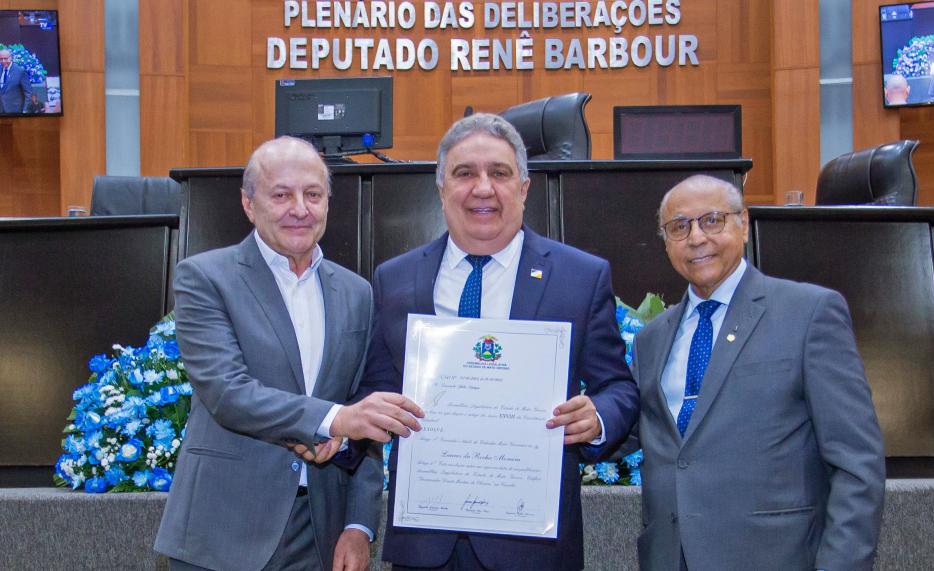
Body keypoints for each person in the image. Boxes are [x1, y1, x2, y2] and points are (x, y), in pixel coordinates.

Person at [362, 113, 640, 570]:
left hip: (533, 545)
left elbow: (619, 388)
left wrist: (597, 417)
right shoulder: (395, 279)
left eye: (499, 173)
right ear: (442, 188)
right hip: (426, 543)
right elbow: (374, 389)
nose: (483, 188)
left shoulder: (579, 278)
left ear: (524, 188)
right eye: (464, 173)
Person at [154, 136, 425, 571]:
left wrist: (359, 525)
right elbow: (228, 393)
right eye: (281, 195)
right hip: (222, 530)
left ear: (327, 204)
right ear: (249, 204)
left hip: (319, 534)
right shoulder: (205, 278)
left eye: (313, 195)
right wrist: (336, 419)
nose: (300, 209)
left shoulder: (356, 292)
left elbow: (366, 412)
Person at [626, 175, 885, 570]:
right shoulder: (651, 338)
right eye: (679, 227)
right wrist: (583, 420)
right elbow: (634, 429)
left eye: (712, 220)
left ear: (743, 223)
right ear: (666, 242)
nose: (696, 238)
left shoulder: (809, 313)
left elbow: (856, 463)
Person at [0, 48, 31, 114]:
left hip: (15, 111)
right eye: (1, 59)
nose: (3, 61)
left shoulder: (20, 71)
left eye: (5, 58)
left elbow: (28, 93)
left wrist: (25, 111)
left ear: (11, 58)